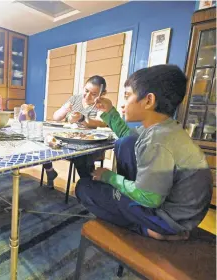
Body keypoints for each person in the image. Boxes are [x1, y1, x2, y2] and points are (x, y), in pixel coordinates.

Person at [77, 64, 212, 240]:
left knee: (84, 188)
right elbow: (128, 137)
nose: (123, 103)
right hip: (182, 209)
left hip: (169, 218)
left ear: (148, 100)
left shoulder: (156, 142)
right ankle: (140, 209)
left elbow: (150, 199)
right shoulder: (165, 128)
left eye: (127, 96)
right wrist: (109, 112)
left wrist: (109, 177)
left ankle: (149, 230)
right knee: (126, 143)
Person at [43, 76, 107, 188]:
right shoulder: (75, 99)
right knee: (43, 139)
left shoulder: (102, 104)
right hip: (67, 138)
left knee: (81, 155)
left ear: (102, 94)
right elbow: (56, 117)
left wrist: (82, 118)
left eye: (93, 94)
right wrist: (64, 110)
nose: (87, 96)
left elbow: (101, 122)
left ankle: (89, 187)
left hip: (88, 144)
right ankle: (50, 170)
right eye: (86, 91)